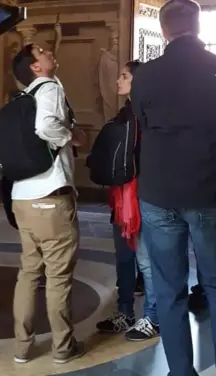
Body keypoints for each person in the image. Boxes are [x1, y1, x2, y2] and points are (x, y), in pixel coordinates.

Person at [132, 0, 216, 376]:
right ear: (198, 26)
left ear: (164, 30)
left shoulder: (147, 74)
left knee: (168, 291)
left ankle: (180, 372)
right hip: (209, 191)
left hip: (158, 193)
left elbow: (140, 123)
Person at [0, 44, 84, 365]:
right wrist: (68, 136)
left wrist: (22, 157)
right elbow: (46, 126)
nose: (50, 52)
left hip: (22, 199)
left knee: (29, 274)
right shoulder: (50, 88)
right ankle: (62, 348)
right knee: (58, 277)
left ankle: (22, 347)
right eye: (42, 51)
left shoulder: (17, 100)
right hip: (50, 196)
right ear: (35, 67)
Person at [93, 60, 160, 342]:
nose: (118, 81)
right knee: (124, 259)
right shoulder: (123, 115)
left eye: (124, 76)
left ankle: (152, 318)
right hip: (122, 199)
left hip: (141, 197)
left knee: (146, 261)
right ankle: (124, 312)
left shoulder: (149, 117)